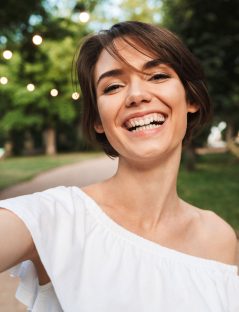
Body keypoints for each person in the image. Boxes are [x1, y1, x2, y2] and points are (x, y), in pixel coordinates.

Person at [0, 21, 238, 311]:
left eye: (158, 75)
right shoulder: (57, 216)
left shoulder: (221, 239)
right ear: (98, 119)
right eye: (113, 86)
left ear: (191, 98)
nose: (137, 95)